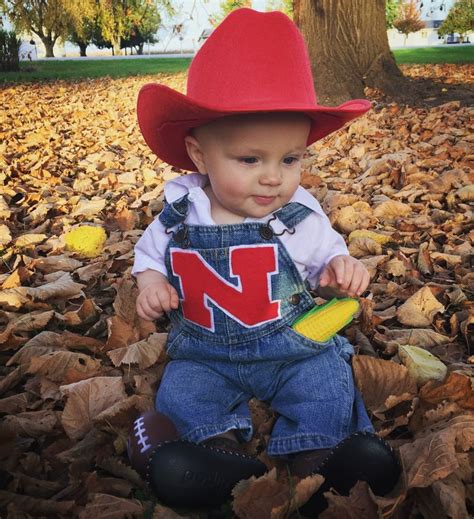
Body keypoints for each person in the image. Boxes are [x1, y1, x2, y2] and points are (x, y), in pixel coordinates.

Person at [128, 7, 400, 514]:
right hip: (206, 354)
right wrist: (150, 284)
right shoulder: (179, 215)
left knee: (326, 383)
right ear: (199, 154)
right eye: (251, 160)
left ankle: (322, 459)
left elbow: (327, 264)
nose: (274, 178)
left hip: (294, 346)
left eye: (290, 159)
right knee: (184, 392)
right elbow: (149, 259)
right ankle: (214, 459)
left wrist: (342, 274)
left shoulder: (299, 217)